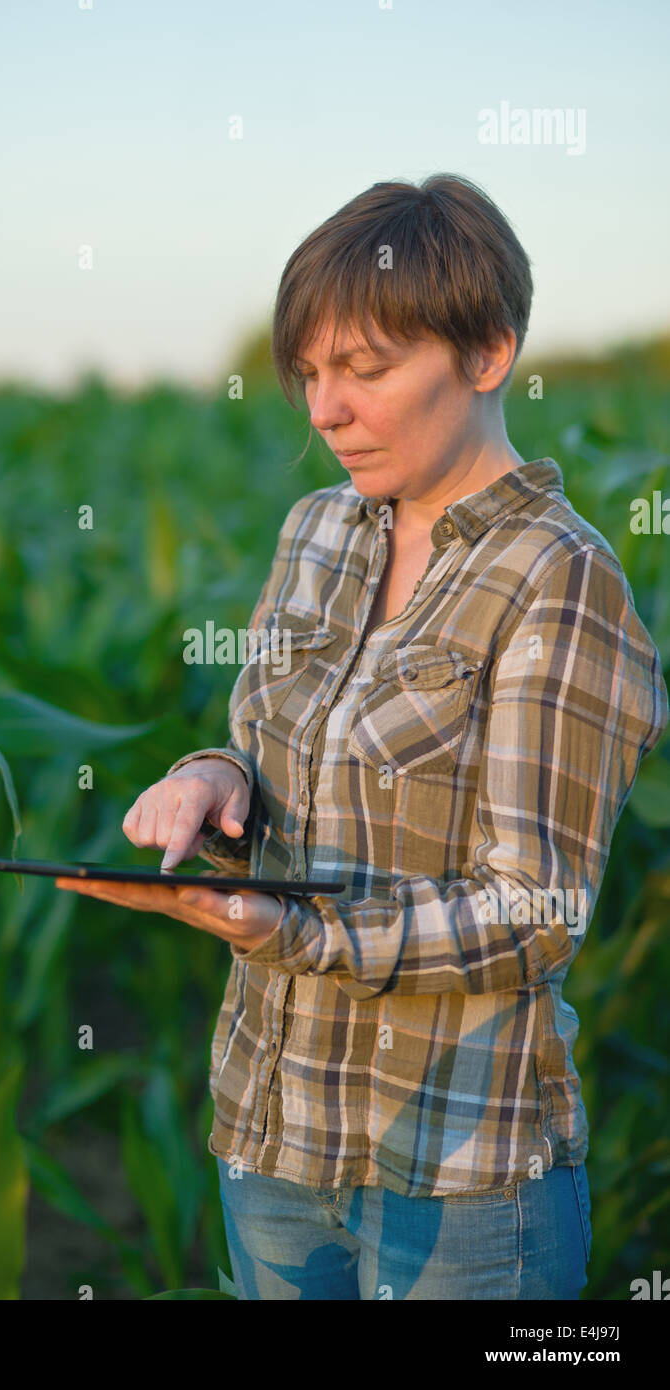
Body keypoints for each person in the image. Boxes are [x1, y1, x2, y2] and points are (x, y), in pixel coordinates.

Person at [55, 173, 669, 1299]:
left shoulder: (559, 580)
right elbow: (268, 744)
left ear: (488, 352)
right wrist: (210, 778)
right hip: (273, 1132)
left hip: (459, 1176)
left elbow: (531, 910)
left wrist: (294, 932)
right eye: (312, 374)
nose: (325, 411)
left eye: (368, 370)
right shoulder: (320, 531)